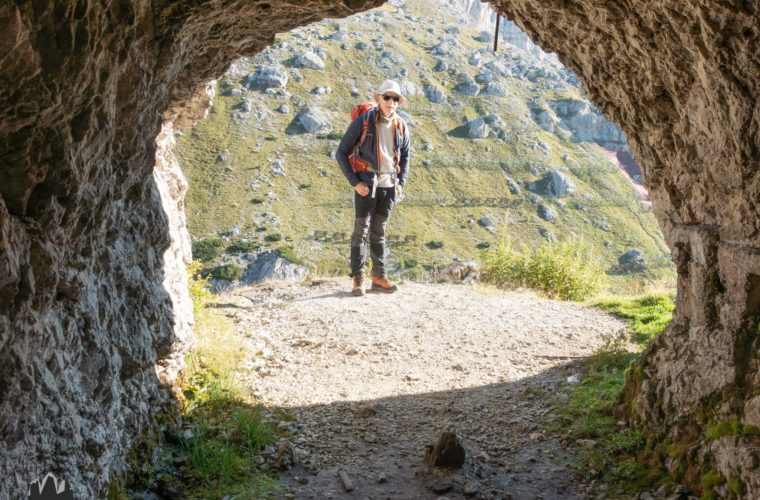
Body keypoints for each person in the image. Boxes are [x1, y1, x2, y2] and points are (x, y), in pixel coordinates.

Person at [336, 80, 411, 296]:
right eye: (386, 97)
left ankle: (379, 278)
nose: (391, 102)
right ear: (378, 98)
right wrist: (354, 182)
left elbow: (405, 157)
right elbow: (341, 152)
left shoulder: (401, 125)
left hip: (389, 188)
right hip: (366, 186)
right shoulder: (364, 121)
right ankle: (357, 279)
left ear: (399, 102)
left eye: (395, 98)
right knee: (361, 232)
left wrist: (400, 184)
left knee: (379, 232)